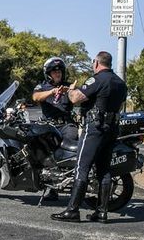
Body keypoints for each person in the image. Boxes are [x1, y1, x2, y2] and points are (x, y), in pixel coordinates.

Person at [51, 51, 127, 224]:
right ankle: (101, 212)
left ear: (97, 63)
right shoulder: (121, 83)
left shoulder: (97, 79)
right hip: (112, 129)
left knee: (82, 167)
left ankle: (72, 210)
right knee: (104, 170)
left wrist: (71, 90)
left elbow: (76, 98)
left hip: (95, 128)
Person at [32, 56, 76, 201]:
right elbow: (36, 97)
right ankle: (51, 187)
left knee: (71, 150)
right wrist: (52, 92)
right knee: (43, 153)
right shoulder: (42, 86)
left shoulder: (69, 86)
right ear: (48, 73)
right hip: (48, 126)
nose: (58, 73)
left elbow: (78, 96)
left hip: (66, 124)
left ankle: (75, 184)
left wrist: (71, 91)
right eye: (54, 71)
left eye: (60, 71)